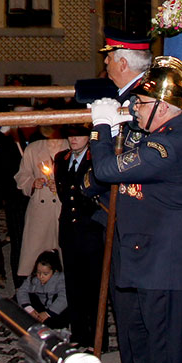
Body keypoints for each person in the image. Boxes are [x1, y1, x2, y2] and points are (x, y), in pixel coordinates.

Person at [90, 55, 182, 363]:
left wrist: (101, 129)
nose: (135, 109)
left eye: (141, 103)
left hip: (170, 267)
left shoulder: (169, 144)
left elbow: (106, 171)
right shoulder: (160, 135)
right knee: (150, 357)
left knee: (168, 361)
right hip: (152, 263)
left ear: (163, 105)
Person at [53, 123, 107, 348]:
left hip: (91, 230)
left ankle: (97, 337)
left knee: (94, 286)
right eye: (70, 134)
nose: (73, 139)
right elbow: (64, 193)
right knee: (73, 285)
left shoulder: (96, 159)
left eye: (79, 135)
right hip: (69, 230)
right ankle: (78, 333)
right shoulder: (61, 159)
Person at [13, 126, 68, 278]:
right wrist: (32, 183)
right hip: (40, 209)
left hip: (63, 208)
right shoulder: (33, 148)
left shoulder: (70, 146)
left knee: (65, 253)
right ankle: (30, 290)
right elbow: (21, 175)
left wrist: (61, 185)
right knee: (32, 253)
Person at [16, 250, 68, 327]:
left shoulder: (60, 280)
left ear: (55, 271)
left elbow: (64, 298)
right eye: (38, 272)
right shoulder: (34, 278)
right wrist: (29, 309)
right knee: (18, 298)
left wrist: (48, 313)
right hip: (41, 306)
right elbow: (22, 290)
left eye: (45, 274)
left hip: (55, 310)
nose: (41, 276)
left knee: (62, 312)